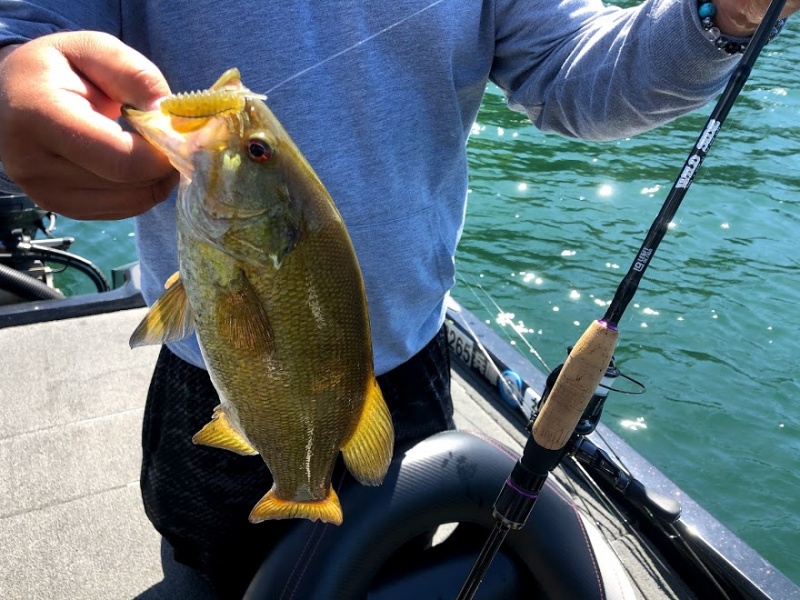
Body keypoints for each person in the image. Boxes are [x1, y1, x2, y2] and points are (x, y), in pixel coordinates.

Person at [0, 1, 796, 597]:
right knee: (210, 571)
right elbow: (31, 25)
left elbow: (575, 69)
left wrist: (720, 16)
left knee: (381, 568)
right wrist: (14, 74)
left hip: (408, 361)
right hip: (212, 371)